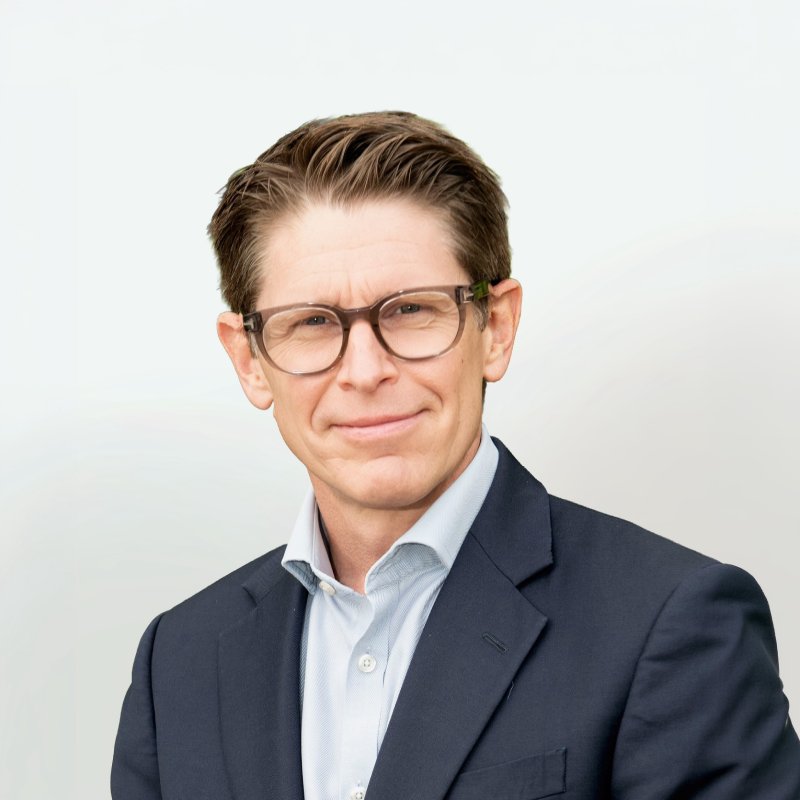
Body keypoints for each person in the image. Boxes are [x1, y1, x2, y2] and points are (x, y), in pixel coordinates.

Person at [111, 111, 800, 799]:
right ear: (249, 360)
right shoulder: (178, 662)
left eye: (411, 310)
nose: (365, 371)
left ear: (495, 327)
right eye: (312, 322)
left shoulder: (672, 623)